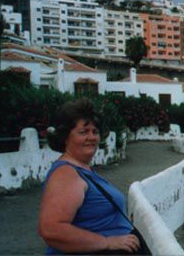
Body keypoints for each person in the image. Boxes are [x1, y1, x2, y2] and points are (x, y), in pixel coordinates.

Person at [38, 99, 140, 254]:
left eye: (95, 132)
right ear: (65, 137)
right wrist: (107, 242)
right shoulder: (66, 174)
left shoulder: (83, 169)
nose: (91, 137)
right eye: (83, 132)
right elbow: (51, 230)